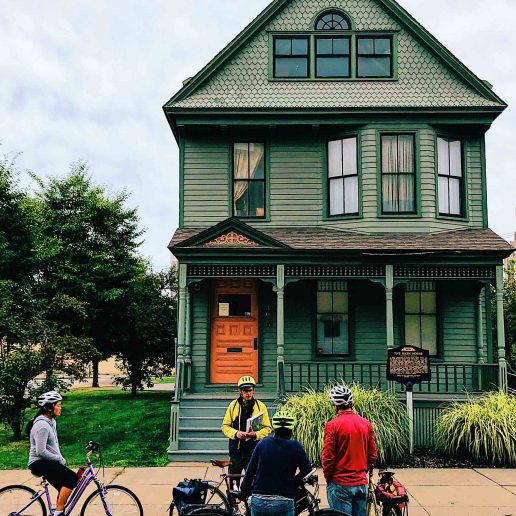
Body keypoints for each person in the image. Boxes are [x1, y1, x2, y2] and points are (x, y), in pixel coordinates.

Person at [240, 409, 312, 516]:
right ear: (291, 429)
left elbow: (250, 472)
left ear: (274, 428)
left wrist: (245, 490)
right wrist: (293, 483)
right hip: (284, 501)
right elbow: (307, 470)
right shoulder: (295, 447)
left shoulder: (263, 443)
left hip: (259, 500)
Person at [322, 385, 377, 516]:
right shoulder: (366, 424)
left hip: (340, 483)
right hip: (360, 483)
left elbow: (328, 457)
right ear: (351, 403)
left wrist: (329, 478)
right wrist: (363, 470)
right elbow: (373, 455)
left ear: (335, 404)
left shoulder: (332, 425)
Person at [27, 391, 77, 516]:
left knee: (64, 487)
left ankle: (58, 510)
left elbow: (52, 446)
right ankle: (58, 513)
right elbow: (41, 451)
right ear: (49, 407)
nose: (60, 408)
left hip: (46, 462)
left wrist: (58, 460)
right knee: (72, 478)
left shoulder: (51, 422)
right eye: (58, 405)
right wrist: (59, 459)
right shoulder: (42, 425)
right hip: (38, 463)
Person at [221, 375, 272, 483]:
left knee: (253, 481)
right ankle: (234, 500)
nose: (248, 393)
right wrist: (236, 433)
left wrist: (256, 434)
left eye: (250, 390)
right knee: (234, 481)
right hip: (236, 451)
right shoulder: (233, 406)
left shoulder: (260, 407)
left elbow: (268, 428)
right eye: (245, 391)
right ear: (240, 391)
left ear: (253, 390)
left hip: (253, 450)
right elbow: (225, 426)